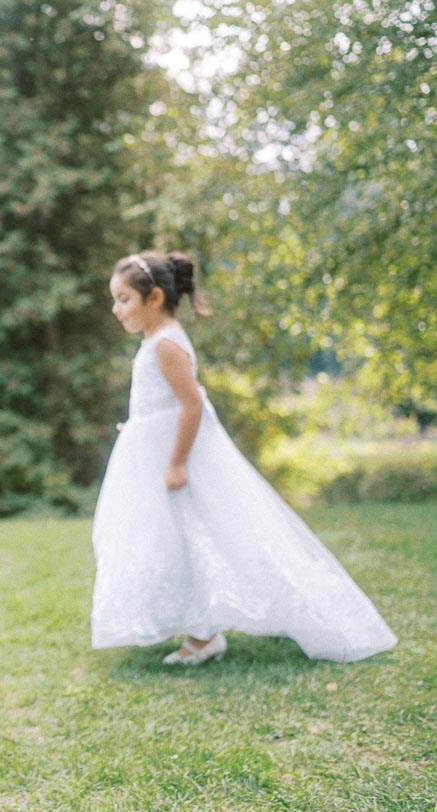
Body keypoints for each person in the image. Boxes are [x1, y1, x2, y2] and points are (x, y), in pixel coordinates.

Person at [91, 251, 398, 665]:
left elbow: (192, 404)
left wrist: (177, 462)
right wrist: (142, 429)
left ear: (155, 297)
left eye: (123, 299)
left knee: (200, 536)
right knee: (175, 540)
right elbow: (162, 406)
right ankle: (201, 631)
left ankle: (204, 637)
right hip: (153, 455)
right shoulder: (155, 341)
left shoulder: (166, 344)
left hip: (179, 462)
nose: (116, 308)